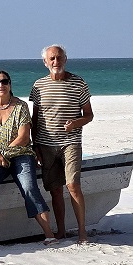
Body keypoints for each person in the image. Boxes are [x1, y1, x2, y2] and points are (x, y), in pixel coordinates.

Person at [0, 70, 58, 246]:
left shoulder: (21, 106)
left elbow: (24, 137)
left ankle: (49, 234)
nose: (1, 85)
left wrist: (3, 154)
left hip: (21, 154)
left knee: (29, 187)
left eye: (4, 81)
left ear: (10, 85)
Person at [30, 45, 94, 243]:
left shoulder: (78, 83)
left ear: (65, 59)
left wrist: (75, 123)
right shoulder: (38, 86)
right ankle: (61, 231)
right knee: (55, 189)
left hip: (70, 142)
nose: (56, 62)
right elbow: (35, 119)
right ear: (45, 62)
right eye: (52, 58)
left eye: (59, 58)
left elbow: (89, 115)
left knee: (73, 185)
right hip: (45, 145)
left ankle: (82, 232)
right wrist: (35, 146)